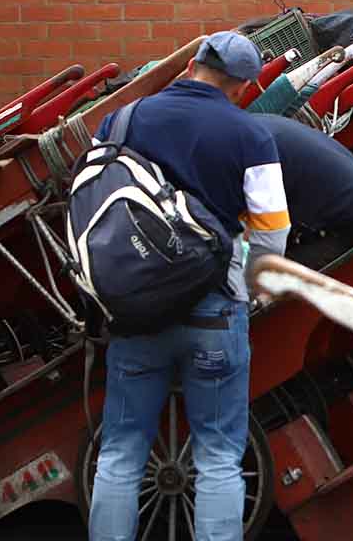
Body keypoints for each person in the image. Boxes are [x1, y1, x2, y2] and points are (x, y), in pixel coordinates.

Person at [88, 31, 291, 541]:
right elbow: (273, 232)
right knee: (219, 458)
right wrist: (256, 288)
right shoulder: (251, 135)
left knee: (119, 453)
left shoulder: (124, 119)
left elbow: (92, 199)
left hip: (135, 310)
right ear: (244, 87)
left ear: (191, 66)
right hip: (215, 311)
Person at [253, 114, 353, 268]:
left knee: (263, 276)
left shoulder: (252, 152)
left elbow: (264, 233)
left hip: (352, 220)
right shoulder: (256, 125)